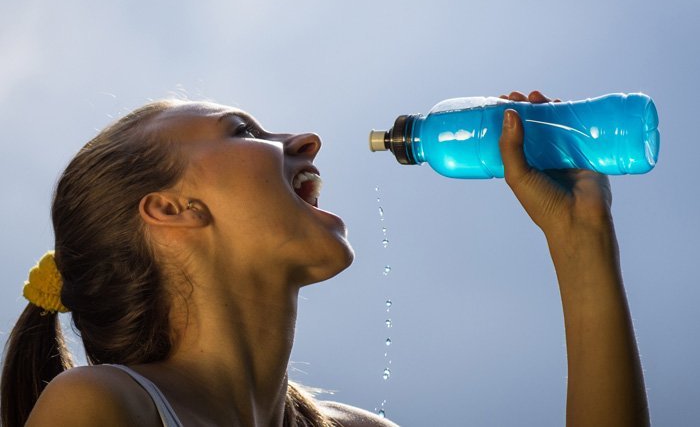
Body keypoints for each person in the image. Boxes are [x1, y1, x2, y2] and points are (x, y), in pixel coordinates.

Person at [1, 91, 649, 427]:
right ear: (171, 209)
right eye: (241, 131)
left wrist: (581, 239)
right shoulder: (103, 405)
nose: (305, 139)